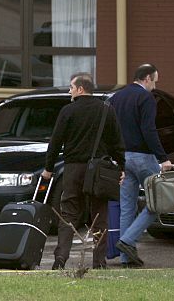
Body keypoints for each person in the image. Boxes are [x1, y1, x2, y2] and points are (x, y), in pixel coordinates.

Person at [41, 72, 124, 270]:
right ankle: (99, 261)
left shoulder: (68, 111)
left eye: (71, 87)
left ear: (80, 89)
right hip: (99, 172)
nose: (69, 91)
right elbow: (117, 143)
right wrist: (121, 167)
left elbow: (55, 142)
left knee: (68, 213)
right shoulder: (107, 110)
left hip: (73, 169)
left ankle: (60, 258)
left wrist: (48, 169)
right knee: (100, 216)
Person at [110, 63, 173, 268]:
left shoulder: (116, 97)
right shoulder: (146, 98)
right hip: (144, 158)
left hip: (122, 158)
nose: (155, 86)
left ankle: (127, 258)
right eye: (154, 81)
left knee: (127, 207)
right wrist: (163, 158)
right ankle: (127, 241)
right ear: (147, 78)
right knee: (158, 203)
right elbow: (149, 129)